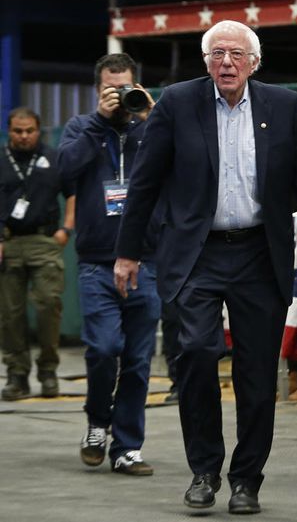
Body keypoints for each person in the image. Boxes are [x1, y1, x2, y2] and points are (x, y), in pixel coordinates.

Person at [113, 20, 297, 514]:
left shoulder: (284, 108)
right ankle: (204, 470)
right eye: (217, 53)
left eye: (236, 55)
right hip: (197, 252)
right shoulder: (178, 103)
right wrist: (128, 252)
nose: (226, 62)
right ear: (206, 62)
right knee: (197, 353)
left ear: (254, 63)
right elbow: (145, 183)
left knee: (257, 374)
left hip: (258, 254)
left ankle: (246, 480)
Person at [57, 53, 160, 476]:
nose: (120, 96)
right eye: (110, 89)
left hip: (145, 261)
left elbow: (184, 162)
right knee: (103, 349)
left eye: (125, 87)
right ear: (98, 90)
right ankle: (98, 423)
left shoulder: (149, 127)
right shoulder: (82, 128)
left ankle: (127, 446)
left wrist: (153, 116)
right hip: (97, 262)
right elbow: (63, 173)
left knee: (138, 360)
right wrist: (100, 121)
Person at [0, 107, 75, 400]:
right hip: (8, 242)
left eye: (29, 130)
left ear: (38, 130)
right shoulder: (2, 159)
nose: (23, 136)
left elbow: (72, 193)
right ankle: (17, 375)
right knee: (10, 315)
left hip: (45, 240)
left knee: (48, 305)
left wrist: (66, 229)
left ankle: (48, 370)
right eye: (18, 131)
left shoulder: (54, 158)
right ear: (10, 131)